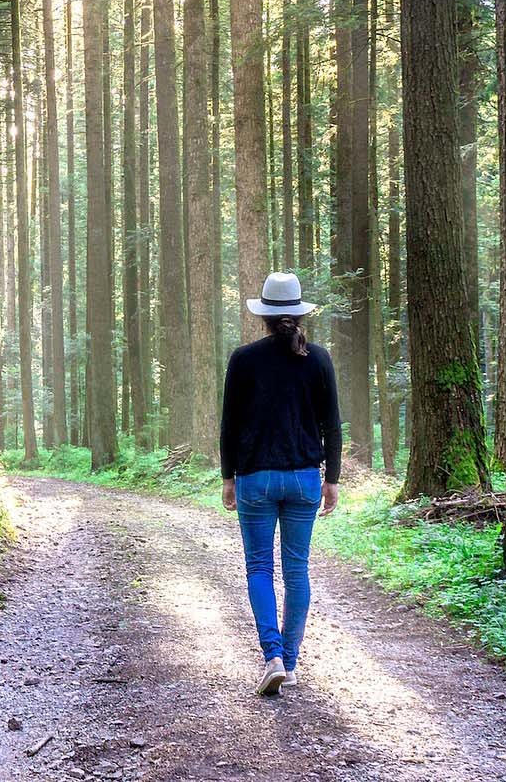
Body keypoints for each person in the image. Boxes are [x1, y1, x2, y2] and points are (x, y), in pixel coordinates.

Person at [218, 271, 341, 696]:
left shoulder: (244, 359)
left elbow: (229, 426)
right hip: (305, 478)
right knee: (296, 569)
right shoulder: (319, 359)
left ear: (265, 316)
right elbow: (332, 427)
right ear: (299, 313)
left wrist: (228, 477)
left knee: (258, 567)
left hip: (255, 478)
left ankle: (270, 655)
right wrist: (333, 481)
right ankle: (289, 662)